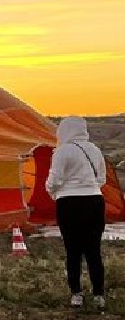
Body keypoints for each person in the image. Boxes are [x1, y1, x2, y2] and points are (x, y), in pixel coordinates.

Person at [46, 116, 109, 310]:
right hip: (95, 201)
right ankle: (98, 295)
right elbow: (102, 178)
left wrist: (54, 192)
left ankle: (76, 294)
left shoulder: (62, 151)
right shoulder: (95, 149)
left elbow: (54, 179)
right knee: (93, 250)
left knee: (73, 251)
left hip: (69, 203)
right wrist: (89, 188)